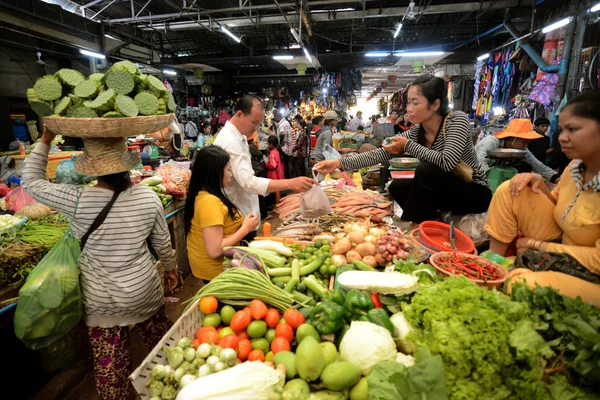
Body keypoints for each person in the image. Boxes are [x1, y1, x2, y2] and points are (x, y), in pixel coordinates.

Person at [22, 128, 178, 399]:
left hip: (101, 302)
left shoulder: (78, 199)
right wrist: (172, 269)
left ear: (92, 169)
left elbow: (31, 182)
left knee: (112, 373)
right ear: (127, 167)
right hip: (143, 293)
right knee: (164, 353)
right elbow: (163, 244)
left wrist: (45, 140)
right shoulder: (148, 197)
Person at [316, 75, 492, 224]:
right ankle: (429, 222)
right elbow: (381, 152)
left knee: (426, 170)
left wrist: (407, 146)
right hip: (445, 191)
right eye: (408, 102)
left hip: (473, 192)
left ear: (435, 104)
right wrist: (338, 163)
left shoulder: (457, 121)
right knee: (397, 186)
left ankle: (413, 227)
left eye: (415, 103)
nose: (409, 109)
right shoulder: (417, 131)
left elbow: (447, 162)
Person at [485, 91, 600, 306]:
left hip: (592, 273)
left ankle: (507, 273)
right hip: (562, 243)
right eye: (562, 129)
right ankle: (493, 264)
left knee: (519, 283)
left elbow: (597, 262)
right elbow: (558, 207)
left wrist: (537, 246)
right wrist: (537, 182)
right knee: (512, 188)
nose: (561, 137)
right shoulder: (575, 167)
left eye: (572, 129)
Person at [213, 95, 315, 242]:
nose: (256, 128)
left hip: (243, 215)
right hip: (238, 218)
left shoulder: (238, 136)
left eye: (259, 124)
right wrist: (290, 183)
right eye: (254, 122)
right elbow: (248, 182)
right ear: (240, 114)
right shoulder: (230, 141)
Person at [185, 146, 260, 281]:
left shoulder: (207, 196)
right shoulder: (210, 203)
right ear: (216, 172)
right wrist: (245, 229)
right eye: (228, 169)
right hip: (218, 274)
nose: (231, 174)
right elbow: (214, 251)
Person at [475, 118, 561, 183]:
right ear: (513, 138)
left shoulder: (522, 150)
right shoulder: (492, 141)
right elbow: (480, 163)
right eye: (524, 142)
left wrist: (557, 179)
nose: (526, 146)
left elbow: (539, 166)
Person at [274, 109, 294, 179]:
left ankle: (286, 179)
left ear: (277, 116)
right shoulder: (287, 122)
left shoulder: (281, 124)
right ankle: (291, 178)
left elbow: (282, 133)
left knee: (285, 164)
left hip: (284, 147)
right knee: (289, 164)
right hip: (289, 146)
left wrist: (280, 143)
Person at [265, 136, 285, 205]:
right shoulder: (277, 151)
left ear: (271, 144)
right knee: (278, 191)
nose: (268, 145)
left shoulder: (272, 153)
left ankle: (277, 205)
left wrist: (267, 164)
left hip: (274, 174)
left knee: (277, 191)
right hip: (279, 173)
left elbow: (273, 165)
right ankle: (279, 204)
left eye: (268, 144)